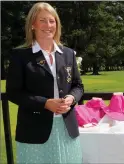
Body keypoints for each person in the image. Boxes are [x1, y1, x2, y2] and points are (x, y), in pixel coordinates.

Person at [6, 2, 84, 163]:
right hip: (34, 131)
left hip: (66, 129)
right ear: (32, 24)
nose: (48, 25)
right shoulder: (20, 55)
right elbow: (13, 92)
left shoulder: (68, 54)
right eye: (42, 20)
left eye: (52, 20)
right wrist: (45, 103)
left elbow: (78, 86)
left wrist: (71, 98)